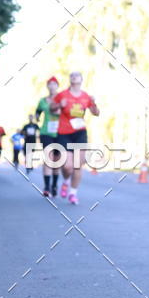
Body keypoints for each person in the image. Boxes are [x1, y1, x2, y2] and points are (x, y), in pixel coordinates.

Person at [52, 71, 99, 205]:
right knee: (67, 167)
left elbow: (96, 113)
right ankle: (66, 181)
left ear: (81, 79)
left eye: (77, 75)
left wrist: (94, 103)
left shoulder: (86, 96)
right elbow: (51, 108)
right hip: (64, 132)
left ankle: (73, 193)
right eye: (72, 75)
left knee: (78, 165)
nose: (74, 76)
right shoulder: (62, 95)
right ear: (70, 79)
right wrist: (59, 105)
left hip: (80, 133)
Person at [35, 77, 61, 197]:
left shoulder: (62, 99)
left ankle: (54, 185)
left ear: (57, 86)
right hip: (46, 132)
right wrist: (37, 117)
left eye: (54, 84)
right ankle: (46, 187)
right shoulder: (43, 101)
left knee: (57, 161)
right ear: (47, 86)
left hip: (60, 132)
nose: (52, 86)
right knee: (48, 158)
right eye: (49, 84)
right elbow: (38, 111)